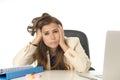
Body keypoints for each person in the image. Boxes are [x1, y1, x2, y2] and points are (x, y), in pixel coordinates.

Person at [13, 13, 91, 72]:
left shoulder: (74, 42)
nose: (52, 37)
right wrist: (37, 39)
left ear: (61, 31)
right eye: (46, 33)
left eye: (55, 31)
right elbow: (18, 64)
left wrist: (63, 45)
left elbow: (84, 68)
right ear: (41, 35)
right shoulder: (38, 46)